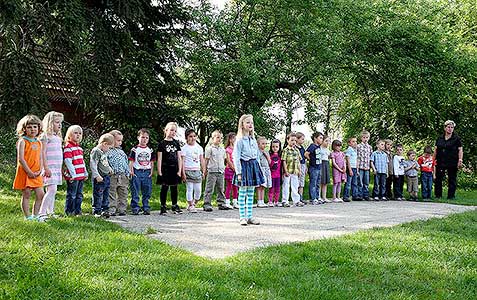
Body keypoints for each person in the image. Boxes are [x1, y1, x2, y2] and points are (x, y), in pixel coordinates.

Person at [232, 114, 264, 226]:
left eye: (251, 122)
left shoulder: (253, 140)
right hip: (244, 167)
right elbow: (235, 157)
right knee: (242, 193)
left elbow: (256, 156)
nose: (250, 124)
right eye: (247, 122)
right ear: (242, 125)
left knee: (251, 193)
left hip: (253, 167)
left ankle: (250, 216)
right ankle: (242, 217)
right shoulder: (239, 140)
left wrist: (258, 170)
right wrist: (239, 172)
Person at [13, 115, 45, 220]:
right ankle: (28, 217)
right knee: (26, 194)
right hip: (25, 172)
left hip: (37, 172)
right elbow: (21, 159)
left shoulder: (39, 142)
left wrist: (40, 169)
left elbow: (40, 157)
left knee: (40, 194)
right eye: (29, 127)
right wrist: (29, 172)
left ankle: (36, 215)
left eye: (35, 127)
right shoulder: (22, 141)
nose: (32, 129)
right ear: (24, 129)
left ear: (39, 128)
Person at [38, 111, 64, 221]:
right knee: (51, 190)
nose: (59, 125)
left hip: (56, 167)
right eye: (57, 122)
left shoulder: (57, 137)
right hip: (49, 167)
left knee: (53, 190)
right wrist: (46, 167)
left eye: (60, 122)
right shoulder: (45, 136)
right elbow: (42, 153)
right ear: (49, 123)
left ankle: (50, 212)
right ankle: (41, 213)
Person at [157, 122, 183, 214]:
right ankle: (163, 206)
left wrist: (180, 170)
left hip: (174, 169)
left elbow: (179, 157)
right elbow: (159, 158)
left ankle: (174, 205)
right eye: (171, 130)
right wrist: (159, 171)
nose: (173, 132)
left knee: (174, 188)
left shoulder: (176, 143)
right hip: (165, 169)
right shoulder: (162, 144)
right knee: (164, 187)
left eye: (175, 131)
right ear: (166, 130)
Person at [434, 120, 463, 200]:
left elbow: (460, 150)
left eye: (452, 127)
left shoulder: (456, 138)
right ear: (445, 128)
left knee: (452, 179)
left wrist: (460, 160)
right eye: (448, 127)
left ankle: (451, 196)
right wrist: (433, 160)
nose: (450, 129)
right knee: (438, 178)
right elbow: (435, 150)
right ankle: (438, 195)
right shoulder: (439, 138)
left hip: (452, 161)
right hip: (440, 161)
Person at [63, 125, 88, 216]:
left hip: (80, 175)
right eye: (75, 133)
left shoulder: (79, 148)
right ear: (69, 135)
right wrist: (73, 174)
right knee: (72, 195)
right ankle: (70, 211)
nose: (78, 135)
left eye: (80, 133)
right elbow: (68, 162)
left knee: (79, 194)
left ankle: (78, 210)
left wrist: (85, 172)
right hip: (73, 176)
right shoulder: (68, 147)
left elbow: (82, 162)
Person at [129, 128, 155, 215]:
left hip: (147, 172)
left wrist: (151, 171)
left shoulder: (150, 149)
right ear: (138, 138)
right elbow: (131, 161)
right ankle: (135, 207)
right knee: (135, 190)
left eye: (146, 138)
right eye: (142, 137)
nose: (144, 139)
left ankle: (146, 207)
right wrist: (131, 171)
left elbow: (151, 162)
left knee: (147, 190)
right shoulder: (135, 149)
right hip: (137, 171)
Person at [203, 130, 231, 211]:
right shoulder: (209, 149)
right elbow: (206, 160)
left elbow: (225, 160)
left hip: (221, 172)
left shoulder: (222, 149)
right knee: (209, 189)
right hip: (212, 172)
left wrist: (225, 167)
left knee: (221, 188)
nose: (220, 139)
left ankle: (221, 203)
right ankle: (207, 204)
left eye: (221, 138)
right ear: (212, 138)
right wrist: (204, 171)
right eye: (218, 137)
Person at [181, 128, 205, 213]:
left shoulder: (199, 148)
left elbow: (202, 160)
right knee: (190, 189)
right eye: (190, 136)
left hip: (197, 171)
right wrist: (183, 173)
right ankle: (190, 205)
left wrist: (204, 171)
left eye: (194, 136)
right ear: (186, 138)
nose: (193, 138)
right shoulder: (184, 148)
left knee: (198, 190)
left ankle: (194, 203)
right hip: (188, 171)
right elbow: (182, 161)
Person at [90, 133, 114, 217]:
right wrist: (96, 175)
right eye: (109, 147)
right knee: (98, 194)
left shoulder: (103, 151)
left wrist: (109, 169)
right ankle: (97, 210)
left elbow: (105, 163)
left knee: (106, 194)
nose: (109, 149)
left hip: (106, 177)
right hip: (99, 178)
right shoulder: (96, 151)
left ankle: (105, 209)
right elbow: (93, 164)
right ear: (105, 144)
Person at [107, 130, 130, 216]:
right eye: (118, 140)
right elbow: (105, 162)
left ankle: (122, 209)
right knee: (111, 192)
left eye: (121, 141)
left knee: (123, 193)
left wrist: (127, 173)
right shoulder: (108, 151)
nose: (120, 143)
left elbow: (125, 162)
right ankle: (111, 209)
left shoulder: (121, 152)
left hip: (123, 175)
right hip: (113, 175)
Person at [281, 132, 303, 207]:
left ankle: (296, 200)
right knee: (286, 186)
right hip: (288, 171)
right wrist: (285, 171)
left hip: (295, 171)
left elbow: (299, 161)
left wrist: (299, 170)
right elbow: (283, 161)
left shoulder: (297, 150)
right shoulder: (286, 150)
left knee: (295, 186)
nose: (294, 142)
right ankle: (285, 201)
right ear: (288, 140)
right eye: (292, 140)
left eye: (295, 141)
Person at [305, 132, 323, 205]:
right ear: (315, 138)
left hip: (319, 167)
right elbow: (306, 154)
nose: (322, 139)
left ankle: (317, 197)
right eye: (320, 138)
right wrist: (311, 160)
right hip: (313, 168)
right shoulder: (312, 146)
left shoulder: (318, 147)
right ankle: (313, 198)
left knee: (318, 183)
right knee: (313, 183)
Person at [224, 132, 239, 209]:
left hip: (236, 170)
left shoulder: (237, 149)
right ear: (230, 140)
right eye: (233, 138)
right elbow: (228, 160)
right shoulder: (227, 149)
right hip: (230, 170)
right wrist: (233, 168)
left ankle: (235, 202)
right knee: (229, 186)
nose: (235, 140)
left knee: (235, 187)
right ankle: (227, 202)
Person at [357, 130, 373, 200]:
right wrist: (357, 168)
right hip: (360, 167)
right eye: (364, 137)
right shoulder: (358, 146)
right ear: (361, 138)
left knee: (366, 182)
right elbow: (357, 157)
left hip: (367, 167)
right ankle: (360, 195)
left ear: (369, 138)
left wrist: (371, 167)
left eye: (367, 137)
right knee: (360, 182)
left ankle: (366, 195)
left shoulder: (370, 147)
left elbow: (370, 157)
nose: (365, 139)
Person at [256, 137, 272, 208]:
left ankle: (262, 201)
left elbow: (269, 162)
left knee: (263, 186)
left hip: (266, 170)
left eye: (266, 144)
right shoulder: (257, 152)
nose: (264, 145)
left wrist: (267, 156)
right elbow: (257, 161)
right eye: (263, 144)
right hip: (260, 170)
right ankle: (259, 201)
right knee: (259, 186)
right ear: (258, 144)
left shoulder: (266, 151)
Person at [343, 137, 358, 202]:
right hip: (350, 168)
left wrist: (357, 170)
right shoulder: (349, 150)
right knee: (348, 183)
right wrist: (350, 169)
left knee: (354, 183)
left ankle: (354, 196)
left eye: (356, 141)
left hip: (354, 168)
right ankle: (346, 196)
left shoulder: (355, 150)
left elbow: (356, 160)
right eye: (353, 141)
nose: (355, 143)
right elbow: (348, 160)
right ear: (349, 143)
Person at [268, 139, 282, 207]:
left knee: (277, 189)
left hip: (278, 175)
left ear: (279, 147)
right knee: (271, 188)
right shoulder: (270, 155)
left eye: (276, 147)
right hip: (271, 175)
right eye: (273, 146)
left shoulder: (280, 156)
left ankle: (276, 201)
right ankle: (270, 201)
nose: (275, 148)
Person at [296, 132, 307, 203]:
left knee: (301, 182)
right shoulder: (295, 148)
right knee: (296, 182)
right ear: (297, 139)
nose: (303, 140)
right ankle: (296, 197)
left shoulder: (302, 148)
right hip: (297, 165)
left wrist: (306, 167)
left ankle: (301, 197)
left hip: (303, 165)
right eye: (302, 139)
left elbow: (304, 158)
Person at [320, 136, 331, 203]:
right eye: (326, 141)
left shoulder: (327, 149)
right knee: (321, 181)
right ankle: (319, 196)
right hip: (321, 164)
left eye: (328, 141)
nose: (327, 143)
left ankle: (324, 197)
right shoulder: (320, 148)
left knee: (325, 182)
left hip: (326, 164)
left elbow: (329, 156)